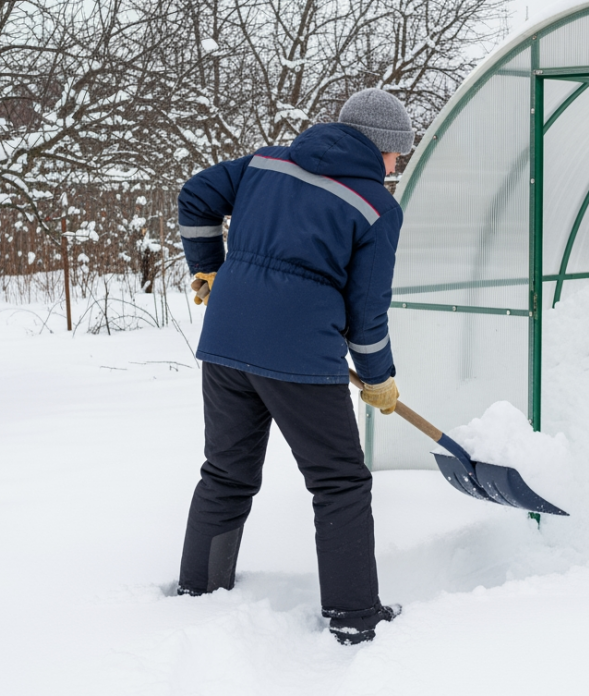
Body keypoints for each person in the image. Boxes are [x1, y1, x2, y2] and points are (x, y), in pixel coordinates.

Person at [174, 88, 412, 645]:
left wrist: (210, 269)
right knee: (340, 483)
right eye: (398, 154)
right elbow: (366, 310)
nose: (398, 165)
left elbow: (195, 195)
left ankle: (198, 593)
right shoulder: (376, 207)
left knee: (226, 473)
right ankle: (354, 615)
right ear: (381, 148)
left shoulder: (267, 161)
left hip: (227, 343)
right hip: (300, 358)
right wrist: (377, 377)